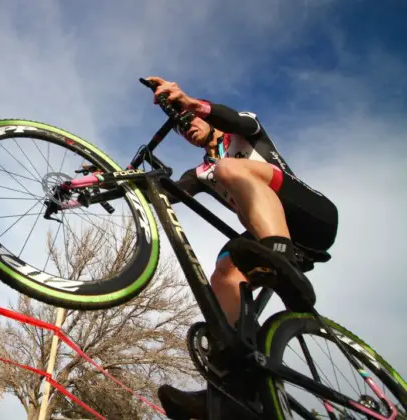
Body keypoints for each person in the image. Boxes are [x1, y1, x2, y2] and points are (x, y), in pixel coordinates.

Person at [144, 77, 339, 419]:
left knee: (229, 167)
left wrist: (188, 102)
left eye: (191, 120)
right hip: (267, 235)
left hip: (311, 216)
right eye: (180, 128)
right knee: (224, 270)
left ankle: (281, 259)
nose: (187, 128)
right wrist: (107, 181)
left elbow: (234, 119)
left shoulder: (242, 133)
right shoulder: (201, 172)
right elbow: (164, 195)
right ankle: (233, 383)